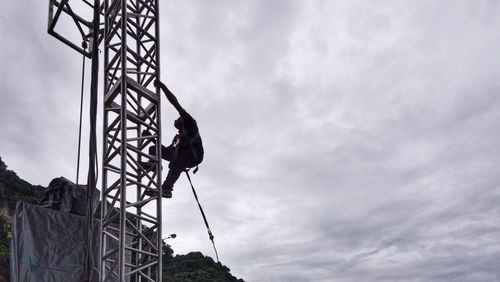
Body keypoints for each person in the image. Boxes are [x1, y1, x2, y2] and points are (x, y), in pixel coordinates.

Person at [144, 80, 204, 198]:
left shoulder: (190, 123)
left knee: (177, 162)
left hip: (194, 156)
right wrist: (150, 137)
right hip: (182, 156)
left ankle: (167, 188)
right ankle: (153, 165)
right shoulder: (179, 137)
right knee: (153, 149)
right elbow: (167, 151)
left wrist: (163, 87)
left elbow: (175, 103)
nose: (175, 120)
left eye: (178, 118)